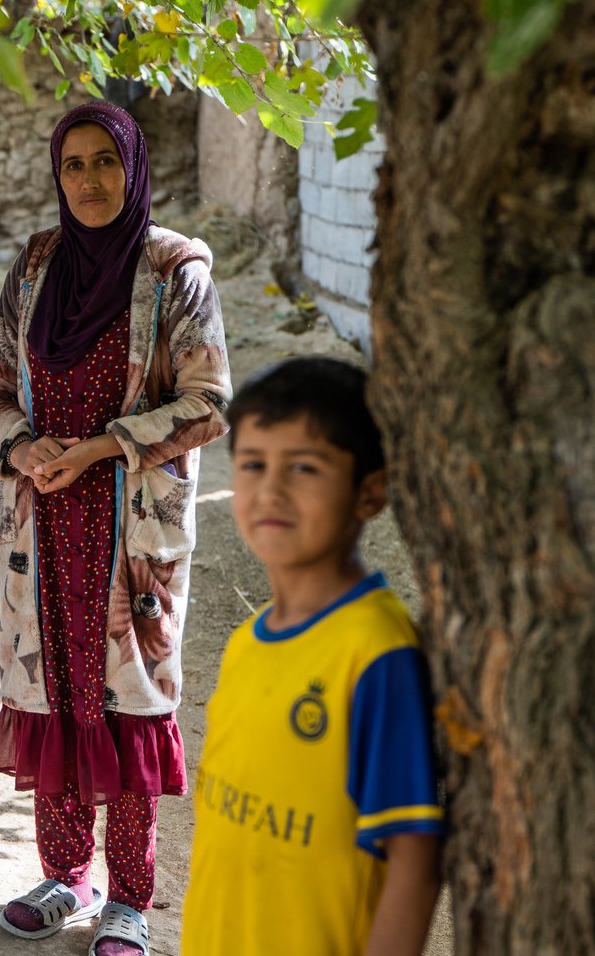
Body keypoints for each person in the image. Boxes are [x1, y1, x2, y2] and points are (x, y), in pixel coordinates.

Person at [0, 102, 231, 956]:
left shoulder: (174, 271)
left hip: (131, 533)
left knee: (128, 701)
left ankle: (128, 899)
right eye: (73, 165)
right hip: (43, 520)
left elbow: (209, 402)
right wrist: (24, 446)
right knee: (54, 691)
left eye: (104, 162)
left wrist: (101, 449)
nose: (88, 181)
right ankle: (63, 874)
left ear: (135, 167)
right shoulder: (37, 264)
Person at [181, 357, 444, 955]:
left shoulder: (378, 654)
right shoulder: (246, 644)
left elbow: (415, 857)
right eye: (253, 464)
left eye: (304, 467)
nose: (271, 490)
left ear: (369, 492)